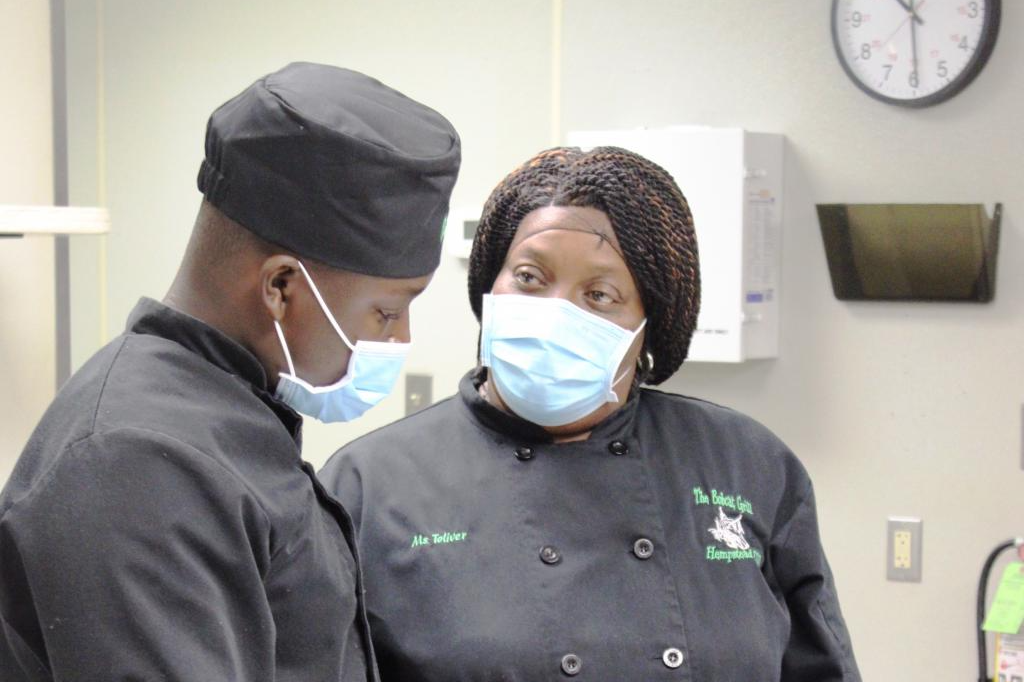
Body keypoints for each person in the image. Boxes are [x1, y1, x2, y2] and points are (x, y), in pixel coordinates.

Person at [320, 146, 861, 681]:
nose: (558, 311)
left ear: (650, 324)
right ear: (490, 285)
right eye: (530, 277)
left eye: (600, 294)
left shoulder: (747, 463)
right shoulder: (372, 484)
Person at [0, 62, 460, 681]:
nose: (400, 338)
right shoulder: (134, 462)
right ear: (280, 287)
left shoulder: (228, 415)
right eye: (387, 311)